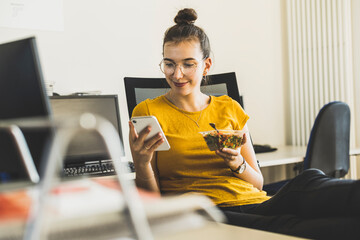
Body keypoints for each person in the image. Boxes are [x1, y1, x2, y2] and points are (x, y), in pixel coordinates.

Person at [129, 8, 360, 239]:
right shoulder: (148, 112)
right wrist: (141, 163)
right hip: (205, 213)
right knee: (304, 227)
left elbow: (258, 183)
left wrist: (237, 161)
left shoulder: (230, 108)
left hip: (254, 201)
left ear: (206, 65)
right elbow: (153, 204)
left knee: (310, 182)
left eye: (188, 64)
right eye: (169, 64)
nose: (177, 74)